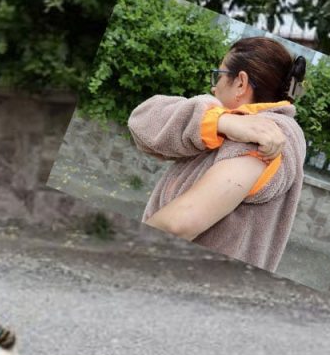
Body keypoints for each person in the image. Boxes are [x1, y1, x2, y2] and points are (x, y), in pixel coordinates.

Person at [128, 36, 307, 272]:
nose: (214, 86)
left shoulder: (264, 135)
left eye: (219, 75)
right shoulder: (231, 122)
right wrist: (220, 121)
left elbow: (179, 223)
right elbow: (141, 121)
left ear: (241, 83)